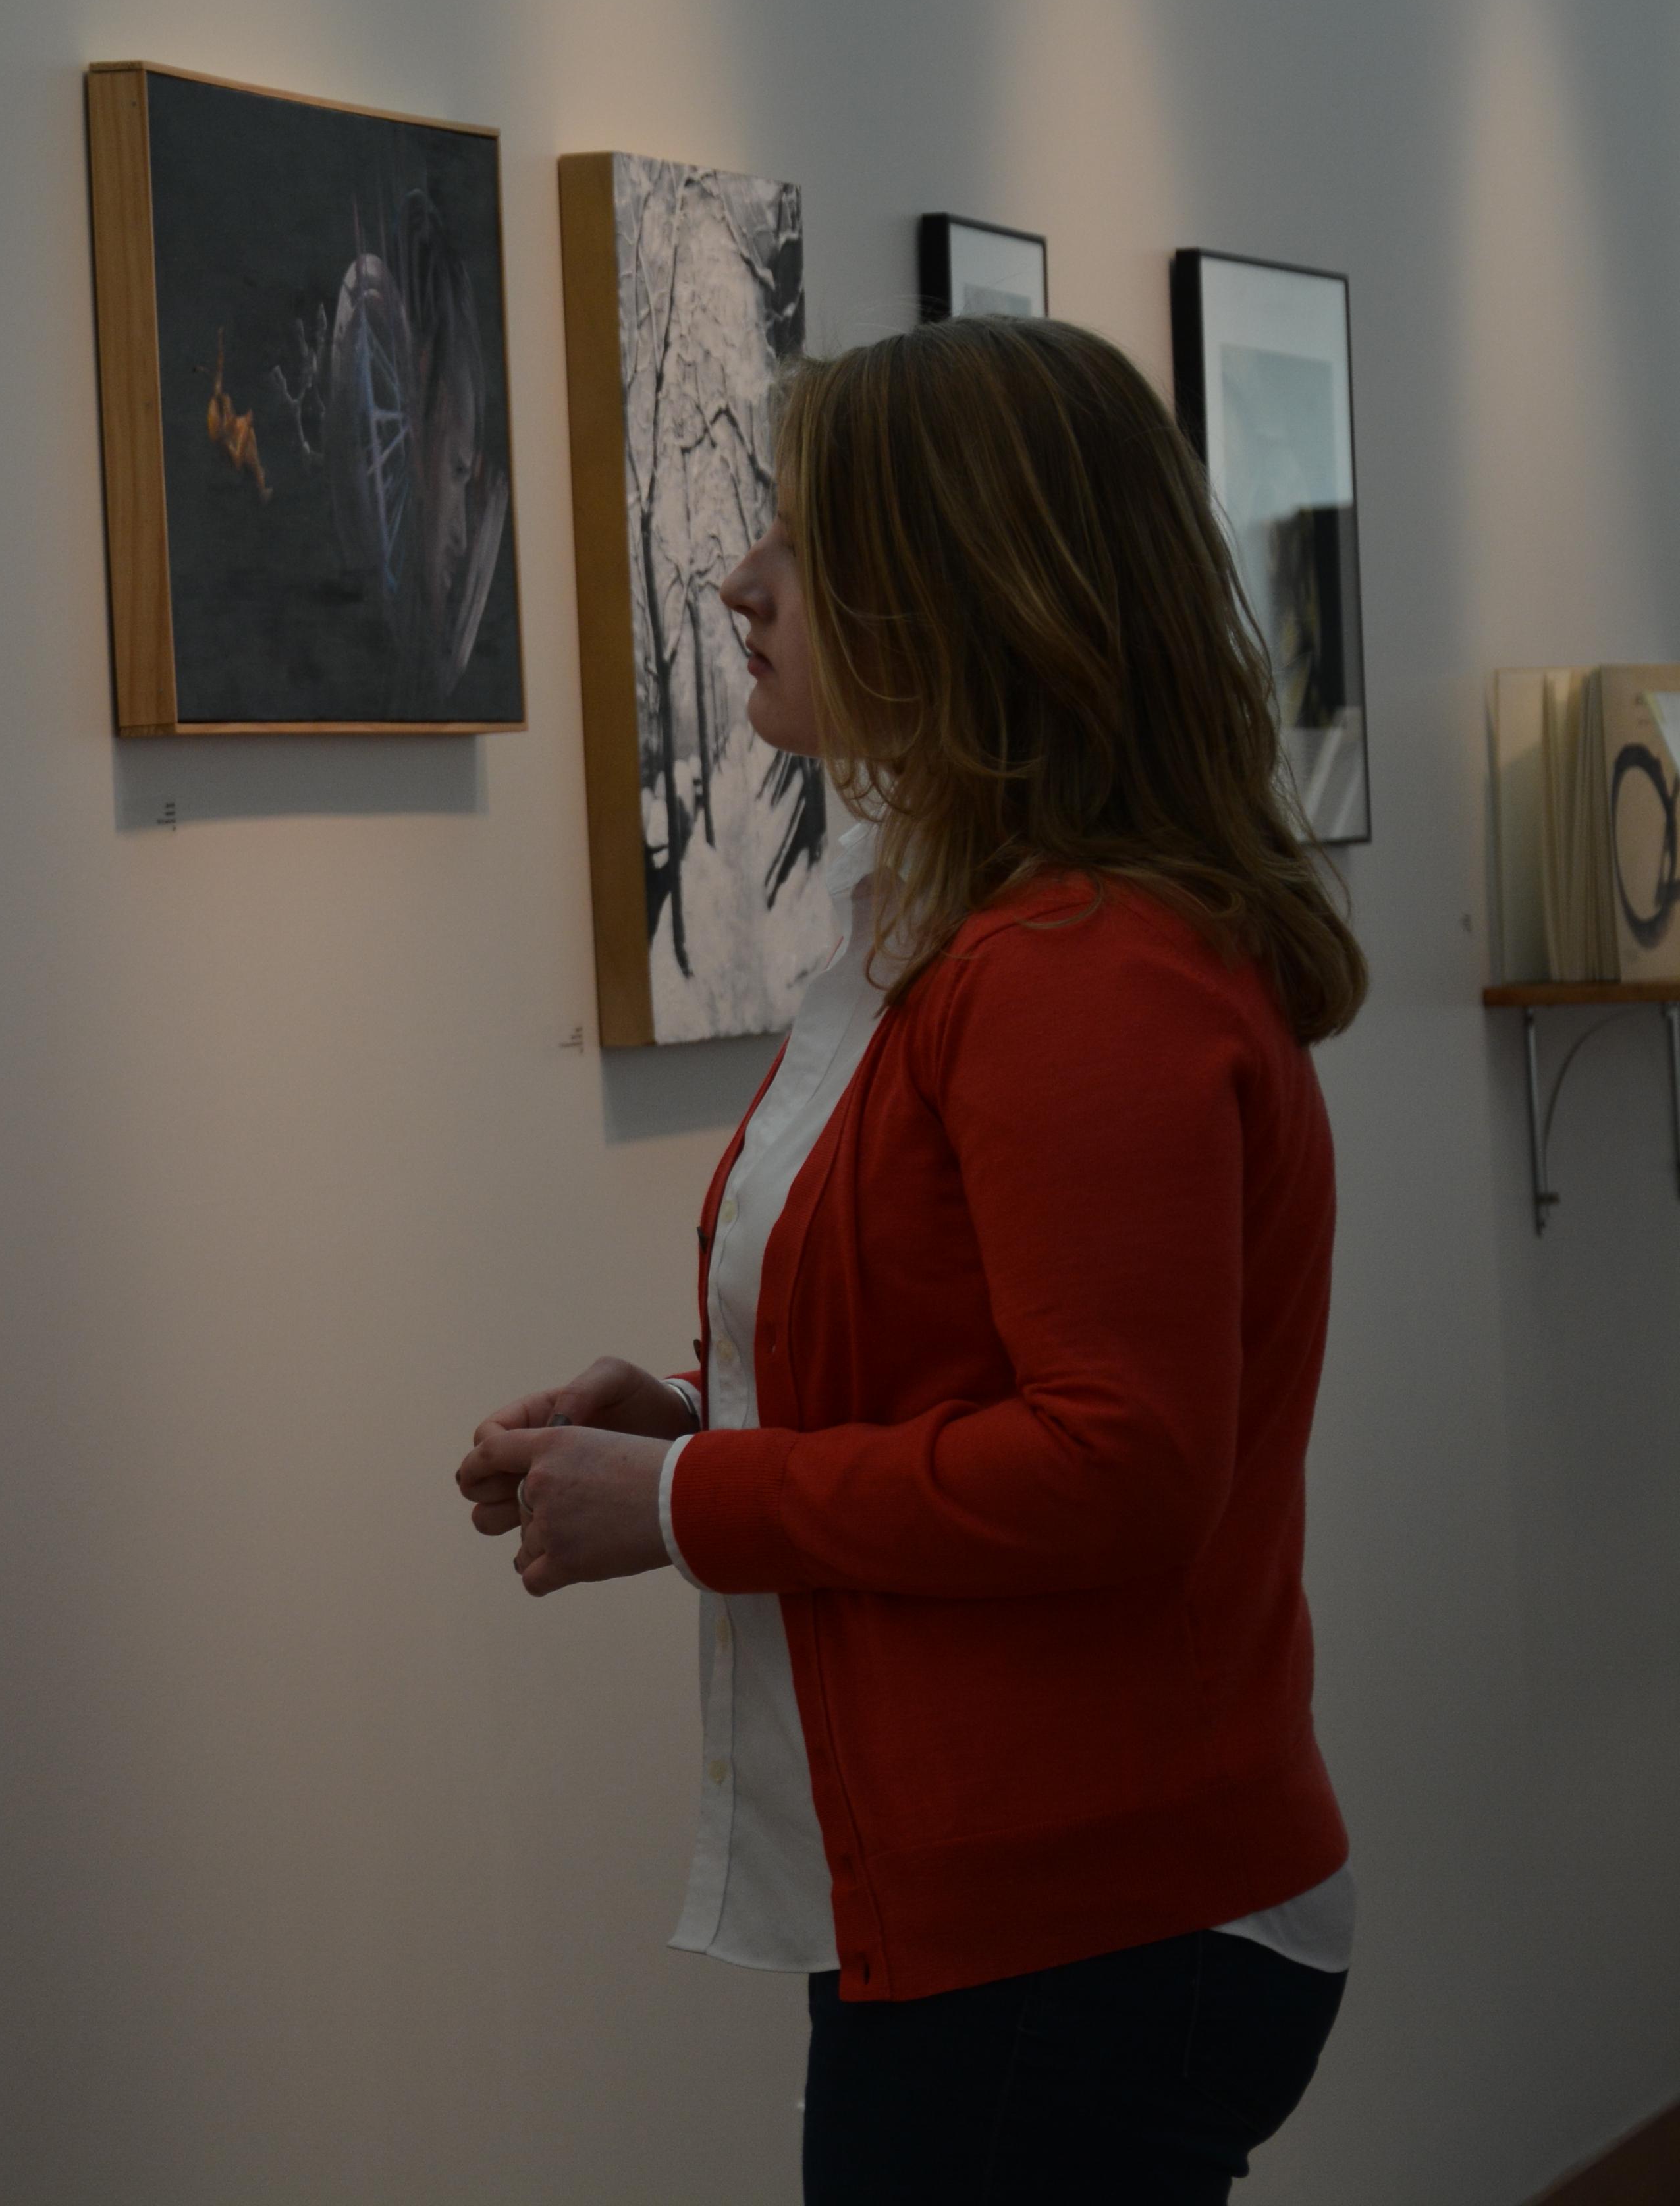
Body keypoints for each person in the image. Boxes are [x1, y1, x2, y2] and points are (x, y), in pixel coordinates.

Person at [456, 316, 1367, 2201]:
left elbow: (1115, 1468)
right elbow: (992, 1369)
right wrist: (701, 1416)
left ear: (959, 595)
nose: (739, 585)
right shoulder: (991, 942)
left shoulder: (1072, 975)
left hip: (1086, 1929)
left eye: (802, 545)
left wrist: (699, 1495)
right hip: (1038, 1914)